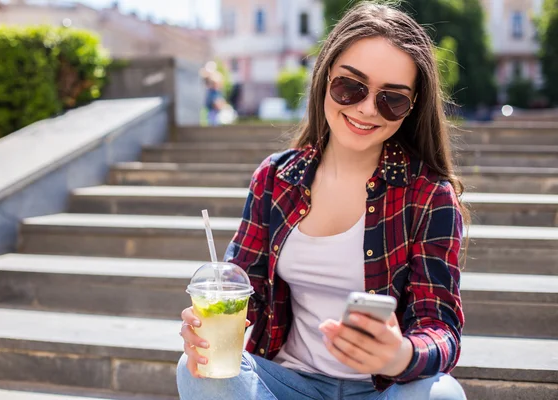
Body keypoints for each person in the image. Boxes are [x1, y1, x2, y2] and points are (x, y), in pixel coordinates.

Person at [178, 2, 468, 399]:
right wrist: (207, 327)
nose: (367, 108)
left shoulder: (429, 196)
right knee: (197, 369)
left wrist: (400, 355)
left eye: (392, 99)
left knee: (442, 395)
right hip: (284, 383)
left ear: (412, 107)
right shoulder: (276, 178)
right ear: (325, 75)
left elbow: (441, 328)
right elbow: (243, 286)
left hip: (382, 390)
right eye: (350, 86)